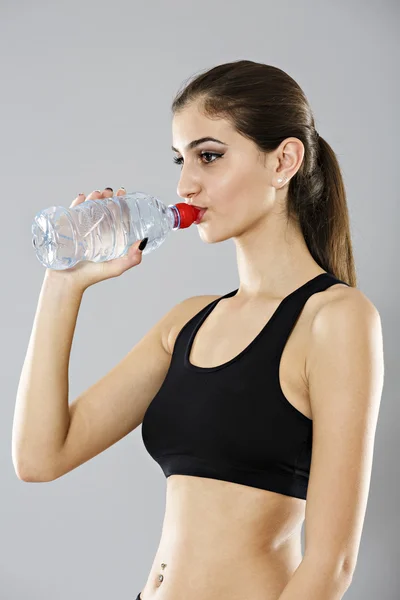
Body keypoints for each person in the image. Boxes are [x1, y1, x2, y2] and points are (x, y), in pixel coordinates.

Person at [13, 60, 384, 600]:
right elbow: (40, 458)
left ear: (284, 160)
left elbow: (332, 564)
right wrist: (63, 285)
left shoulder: (337, 319)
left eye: (209, 156)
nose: (185, 183)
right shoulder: (187, 321)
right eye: (181, 159)